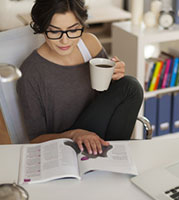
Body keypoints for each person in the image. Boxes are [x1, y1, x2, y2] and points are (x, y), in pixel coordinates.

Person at [17, 0, 143, 155]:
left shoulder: (89, 45)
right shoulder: (31, 72)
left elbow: (107, 96)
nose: (65, 40)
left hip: (100, 136)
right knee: (130, 86)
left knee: (130, 86)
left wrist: (115, 74)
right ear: (42, 28)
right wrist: (73, 134)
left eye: (73, 30)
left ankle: (111, 155)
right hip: (66, 145)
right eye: (55, 31)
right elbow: (36, 140)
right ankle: (110, 155)